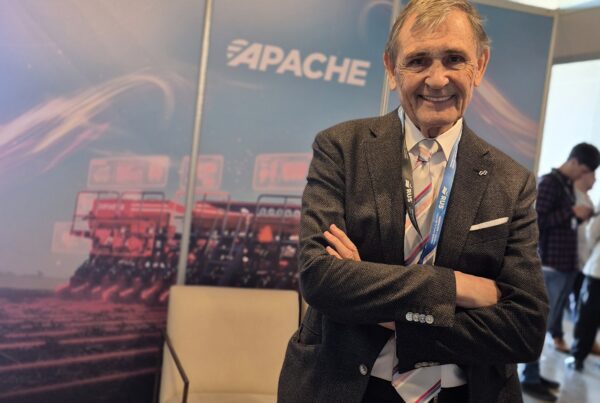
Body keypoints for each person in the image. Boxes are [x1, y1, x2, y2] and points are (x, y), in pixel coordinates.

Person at [278, 1, 548, 402]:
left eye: (454, 59)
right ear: (391, 68)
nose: (437, 80)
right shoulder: (341, 149)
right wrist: (458, 287)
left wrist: (388, 310)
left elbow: (525, 328)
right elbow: (321, 279)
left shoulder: (513, 182)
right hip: (345, 388)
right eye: (418, 61)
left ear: (480, 66)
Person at [520, 143, 600, 401]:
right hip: (550, 265)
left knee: (545, 325)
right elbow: (536, 222)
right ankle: (529, 377)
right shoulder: (549, 183)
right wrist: (571, 212)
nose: (585, 177)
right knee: (537, 325)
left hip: (564, 265)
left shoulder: (565, 185)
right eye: (585, 171)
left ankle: (534, 373)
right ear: (575, 162)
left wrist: (576, 216)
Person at [568, 197, 600, 370]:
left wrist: (593, 251)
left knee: (588, 316)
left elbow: (592, 231)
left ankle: (578, 358)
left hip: (597, 270)